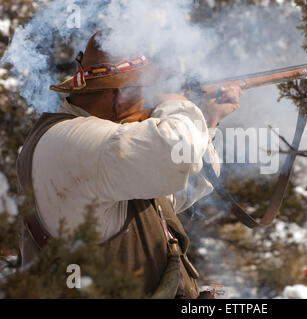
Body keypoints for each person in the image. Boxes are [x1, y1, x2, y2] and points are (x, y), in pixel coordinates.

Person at [16, 30, 241, 298]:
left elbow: (179, 186)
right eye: (148, 89)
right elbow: (175, 150)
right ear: (122, 94)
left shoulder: (102, 148)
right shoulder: (75, 141)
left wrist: (208, 119)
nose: (151, 100)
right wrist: (176, 103)